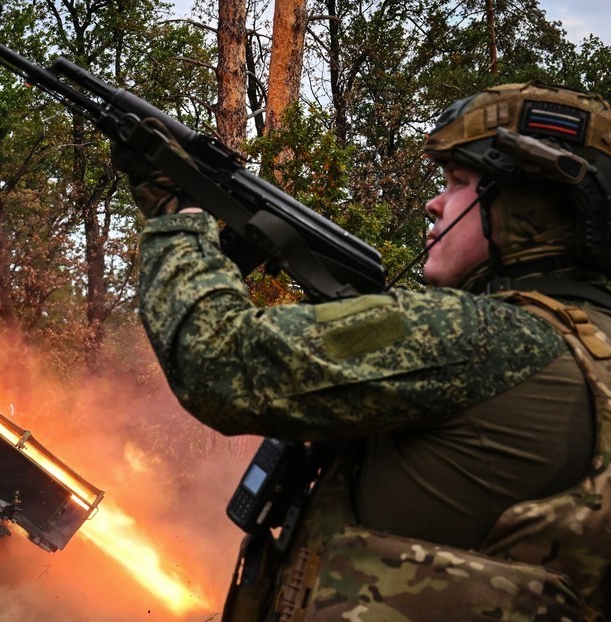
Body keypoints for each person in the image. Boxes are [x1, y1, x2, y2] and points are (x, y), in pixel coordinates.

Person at [125, 83, 611, 620]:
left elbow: (216, 361)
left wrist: (176, 212)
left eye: (458, 183)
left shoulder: (482, 336)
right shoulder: (593, 349)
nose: (436, 202)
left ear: (528, 207)